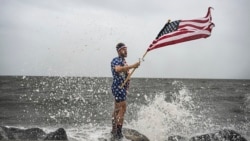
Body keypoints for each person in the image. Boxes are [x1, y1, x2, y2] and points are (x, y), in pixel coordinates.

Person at [110, 42, 140, 139]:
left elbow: (126, 74)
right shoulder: (116, 60)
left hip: (121, 88)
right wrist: (132, 66)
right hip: (118, 87)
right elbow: (118, 69)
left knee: (117, 109)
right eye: (124, 49)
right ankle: (118, 133)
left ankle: (114, 130)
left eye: (126, 49)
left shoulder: (123, 61)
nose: (126, 50)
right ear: (119, 51)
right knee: (123, 108)